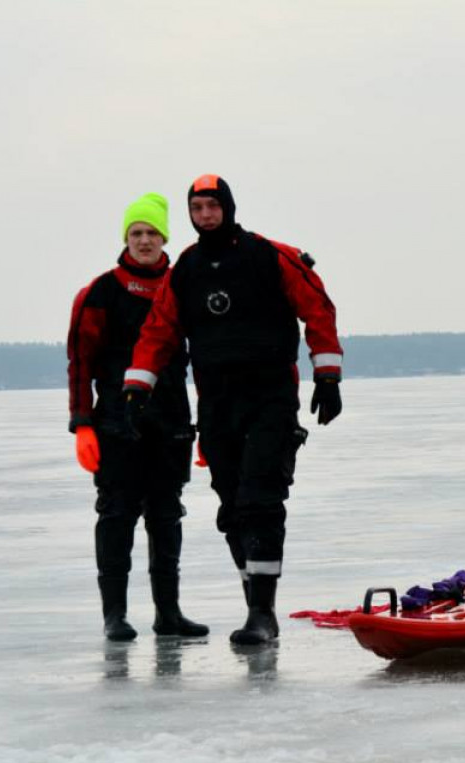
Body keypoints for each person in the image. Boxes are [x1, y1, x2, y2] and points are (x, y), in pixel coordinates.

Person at [123, 174, 343, 646]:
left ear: (228, 207)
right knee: (232, 507)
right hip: (217, 403)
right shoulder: (185, 268)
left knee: (261, 501)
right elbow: (159, 330)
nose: (205, 216)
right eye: (197, 208)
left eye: (211, 206)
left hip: (269, 399)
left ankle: (262, 614)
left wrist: (328, 376)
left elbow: (318, 309)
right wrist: (136, 387)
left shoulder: (269, 255)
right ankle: (254, 605)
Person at [67, 192, 208, 642]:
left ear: (165, 237)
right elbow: (80, 363)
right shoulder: (100, 292)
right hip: (115, 422)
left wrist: (209, 423)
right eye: (136, 233)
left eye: (151, 233)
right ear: (125, 239)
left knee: (166, 516)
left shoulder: (184, 285)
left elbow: (204, 357)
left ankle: (169, 613)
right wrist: (82, 423)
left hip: (171, 421)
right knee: (117, 516)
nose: (144, 241)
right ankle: (115, 616)